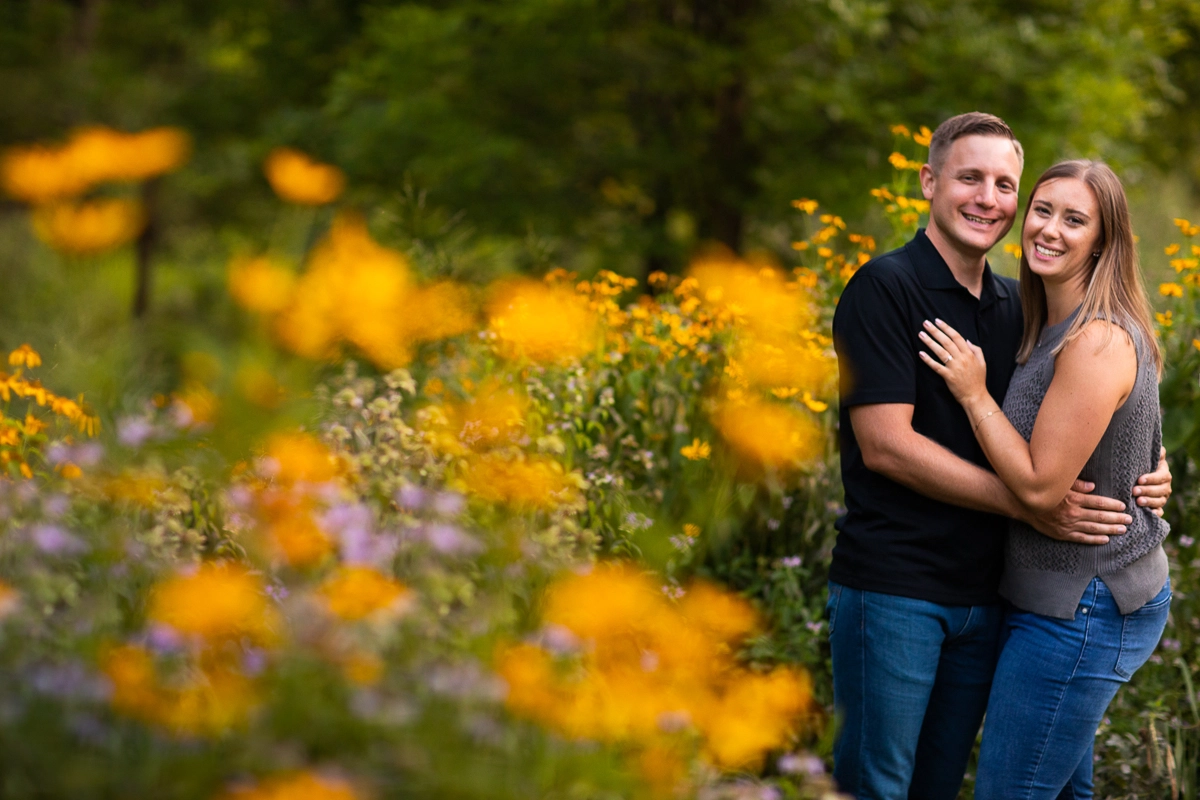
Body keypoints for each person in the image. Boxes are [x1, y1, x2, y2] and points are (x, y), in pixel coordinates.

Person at [827, 112, 1173, 800]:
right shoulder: (884, 287)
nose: (989, 198)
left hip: (991, 594)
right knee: (878, 786)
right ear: (929, 182)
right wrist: (1033, 505)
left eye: (1005, 184)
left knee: (941, 785)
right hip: (897, 585)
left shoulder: (1020, 307)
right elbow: (886, 447)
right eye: (970, 178)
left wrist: (1147, 477)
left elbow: (1102, 408)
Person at [919, 159, 1170, 799]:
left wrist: (975, 395)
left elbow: (1038, 489)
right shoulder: (1047, 325)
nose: (1049, 230)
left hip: (1083, 605)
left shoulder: (1097, 341)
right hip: (1050, 598)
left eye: (1075, 219)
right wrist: (1150, 470)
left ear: (1105, 241)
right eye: (1043, 210)